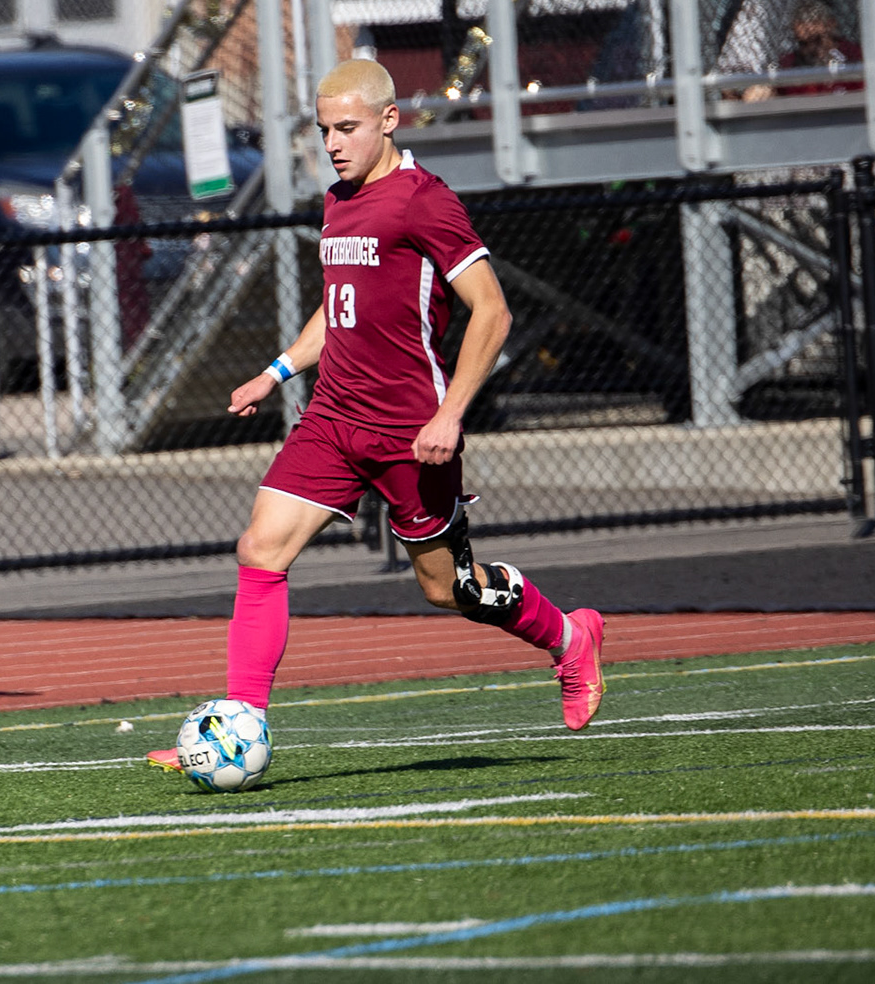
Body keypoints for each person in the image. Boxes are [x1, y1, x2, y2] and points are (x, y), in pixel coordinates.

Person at [148, 60, 606, 775]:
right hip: (334, 417)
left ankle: (569, 638)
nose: (333, 143)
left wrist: (449, 415)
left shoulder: (423, 201)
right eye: (324, 130)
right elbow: (341, 304)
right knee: (260, 549)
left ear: (390, 121)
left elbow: (492, 311)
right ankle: (238, 725)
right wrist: (276, 371)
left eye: (347, 128)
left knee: (448, 588)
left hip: (409, 432)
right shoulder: (338, 200)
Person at [741, 0, 862, 101]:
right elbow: (774, 87)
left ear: (830, 24)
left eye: (814, 22)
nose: (808, 28)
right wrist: (765, 89)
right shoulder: (789, 62)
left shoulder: (852, 53)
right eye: (801, 24)